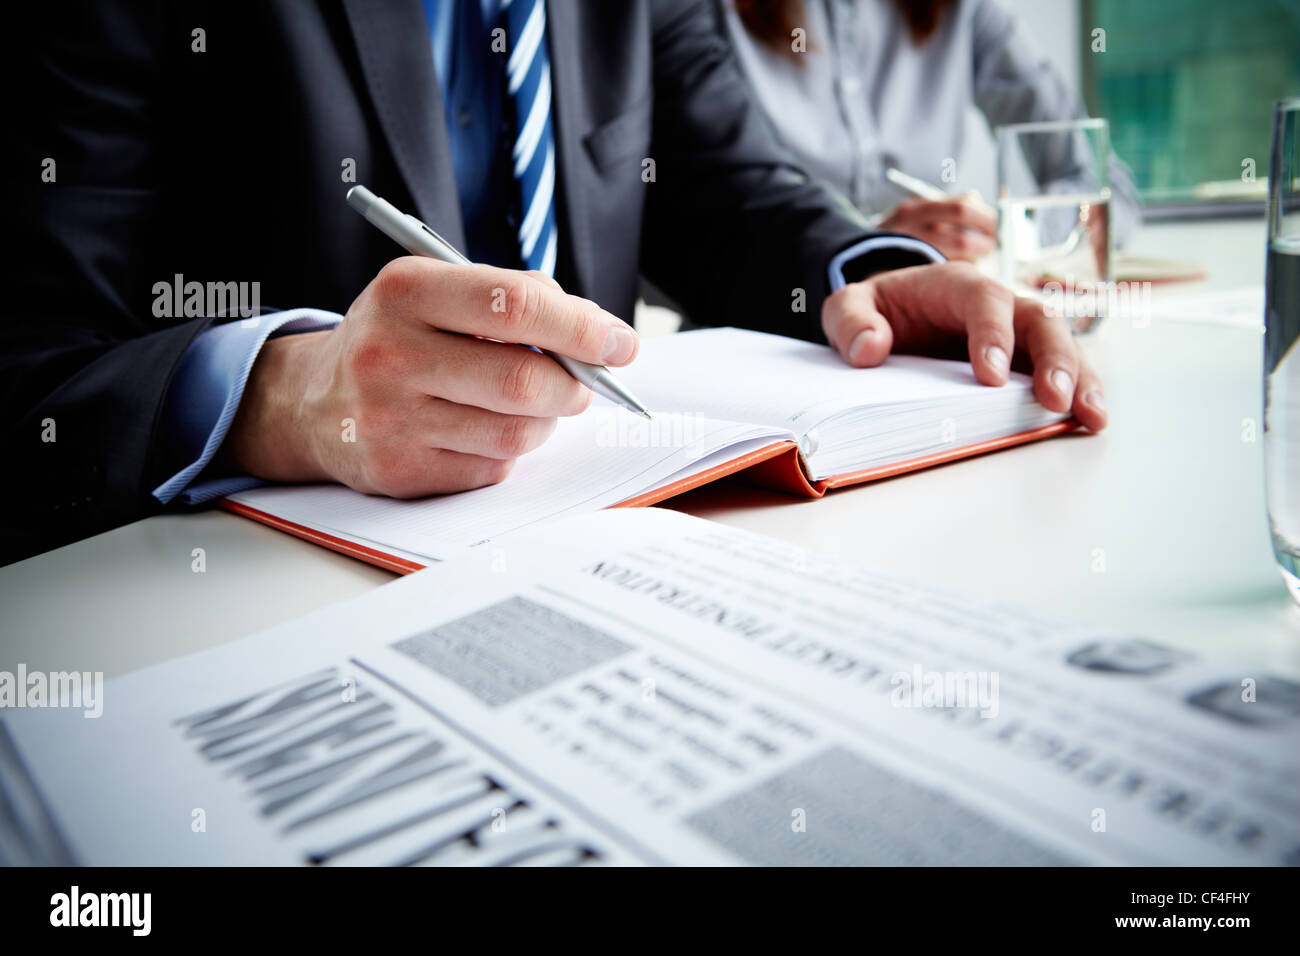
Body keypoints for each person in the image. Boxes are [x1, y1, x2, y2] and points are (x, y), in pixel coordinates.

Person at [3, 0, 1106, 564]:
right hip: (233, 596)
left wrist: (868, 267)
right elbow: (31, 355)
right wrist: (279, 398)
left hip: (603, 542)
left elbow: (725, 184)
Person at [723, 0, 1142, 262]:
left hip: (926, 327)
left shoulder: (966, 10)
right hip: (758, 337)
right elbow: (683, 228)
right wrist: (863, 246)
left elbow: (1107, 190)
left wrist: (1011, 236)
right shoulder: (704, 17)